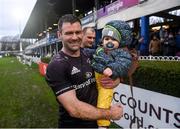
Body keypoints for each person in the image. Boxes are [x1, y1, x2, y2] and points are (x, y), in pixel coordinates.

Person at [45, 14, 123, 128]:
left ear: (82, 33)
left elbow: (115, 70)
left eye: (78, 32)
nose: (75, 37)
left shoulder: (90, 54)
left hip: (97, 124)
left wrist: (116, 80)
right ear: (59, 35)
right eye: (69, 33)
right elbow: (74, 109)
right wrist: (110, 113)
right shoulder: (56, 65)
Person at [91, 20, 133, 128]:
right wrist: (100, 67)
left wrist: (112, 69)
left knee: (103, 101)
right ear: (102, 40)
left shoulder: (121, 53)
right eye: (107, 38)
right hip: (95, 78)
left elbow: (123, 64)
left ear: (119, 42)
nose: (109, 41)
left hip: (106, 81)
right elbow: (94, 61)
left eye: (113, 39)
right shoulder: (99, 50)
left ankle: (103, 125)